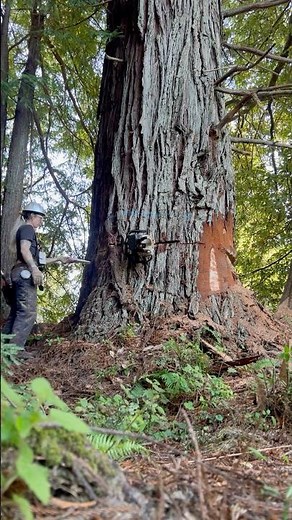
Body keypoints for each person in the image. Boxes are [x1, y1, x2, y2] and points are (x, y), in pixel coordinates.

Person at [2, 201, 75, 358]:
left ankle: (4, 348)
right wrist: (34, 269)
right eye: (40, 218)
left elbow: (35, 258)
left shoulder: (25, 230)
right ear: (32, 216)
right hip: (24, 274)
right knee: (28, 312)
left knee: (17, 312)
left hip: (19, 273)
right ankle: (15, 352)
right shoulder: (27, 228)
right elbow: (24, 250)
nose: (41, 222)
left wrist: (59, 258)